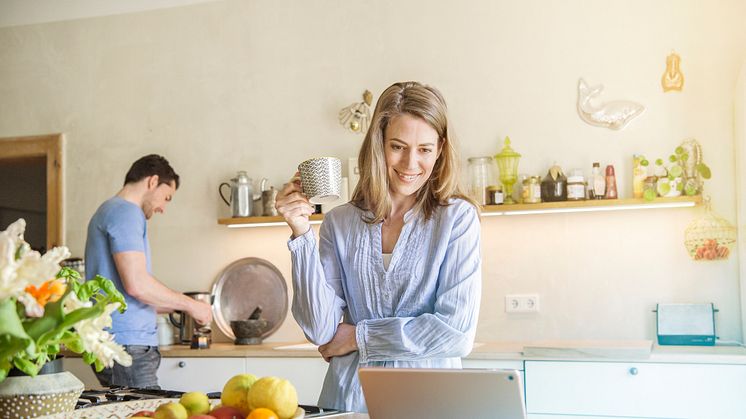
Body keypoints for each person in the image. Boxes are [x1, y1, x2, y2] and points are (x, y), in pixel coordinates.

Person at [276, 81, 482, 412]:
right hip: (348, 403)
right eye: (398, 147)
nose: (410, 164)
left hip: (430, 405)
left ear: (441, 149)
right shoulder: (339, 222)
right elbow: (320, 330)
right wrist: (301, 234)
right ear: (378, 144)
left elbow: (455, 334)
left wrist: (358, 337)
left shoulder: (457, 219)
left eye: (424, 149)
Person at [84, 154, 212, 388]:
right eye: (166, 197)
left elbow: (126, 291)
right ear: (152, 181)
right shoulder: (125, 212)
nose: (163, 207)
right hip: (126, 344)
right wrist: (191, 305)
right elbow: (137, 284)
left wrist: (178, 304)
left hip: (118, 341)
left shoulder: (109, 211)